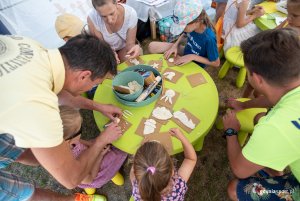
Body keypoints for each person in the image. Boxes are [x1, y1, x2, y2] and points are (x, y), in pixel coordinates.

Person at [0, 34, 123, 201]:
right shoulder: (39, 109)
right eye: (95, 84)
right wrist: (101, 141)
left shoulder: (32, 47)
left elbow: (60, 92)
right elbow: (71, 179)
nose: (94, 87)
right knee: (26, 195)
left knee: (32, 155)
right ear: (84, 75)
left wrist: (98, 106)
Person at [222, 28, 300, 201]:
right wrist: (245, 105)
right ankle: (274, 166)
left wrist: (231, 131)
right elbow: (275, 98)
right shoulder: (293, 82)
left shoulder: (275, 127)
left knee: (234, 189)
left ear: (256, 79)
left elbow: (239, 169)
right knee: (259, 118)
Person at [59, 105, 127, 194]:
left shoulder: (65, 141)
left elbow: (80, 141)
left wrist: (93, 144)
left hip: (89, 160)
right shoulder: (69, 164)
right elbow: (91, 177)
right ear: (69, 140)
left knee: (86, 183)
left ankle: (90, 189)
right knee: (110, 162)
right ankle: (112, 174)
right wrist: (100, 154)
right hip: (94, 171)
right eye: (80, 130)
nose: (81, 131)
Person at [148, 0, 220, 68]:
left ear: (198, 20)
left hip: (195, 64)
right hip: (186, 51)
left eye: (183, 26)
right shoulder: (193, 27)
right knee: (152, 46)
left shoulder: (209, 38)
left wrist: (192, 57)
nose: (182, 29)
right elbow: (184, 34)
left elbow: (216, 63)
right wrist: (175, 46)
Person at [130, 128, 197, 201]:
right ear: (172, 171)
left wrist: (140, 151)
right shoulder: (178, 187)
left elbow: (134, 170)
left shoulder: (136, 187)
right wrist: (181, 137)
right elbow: (190, 159)